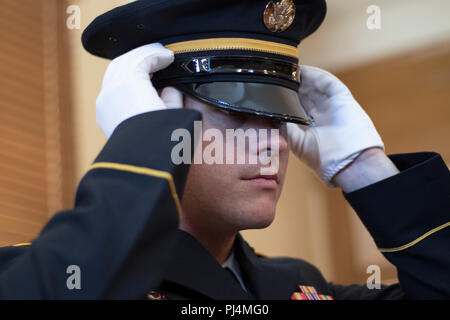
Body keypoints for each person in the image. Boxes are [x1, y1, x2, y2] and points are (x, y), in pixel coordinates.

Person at [0, 0, 449, 299]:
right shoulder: (43, 272)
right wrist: (141, 149)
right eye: (236, 115)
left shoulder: (297, 285)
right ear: (156, 117)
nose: (274, 141)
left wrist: (367, 169)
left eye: (279, 118)